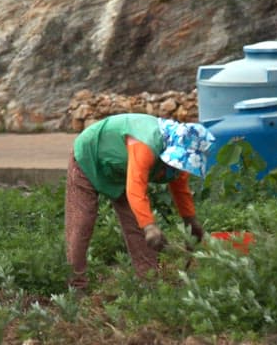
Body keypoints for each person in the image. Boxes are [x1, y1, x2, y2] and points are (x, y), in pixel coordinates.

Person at [64, 113, 215, 290]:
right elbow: (135, 188)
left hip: (120, 169)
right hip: (89, 155)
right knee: (81, 223)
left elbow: (180, 189)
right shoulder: (146, 145)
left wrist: (191, 221)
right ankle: (76, 286)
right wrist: (150, 226)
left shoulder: (179, 159)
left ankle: (148, 282)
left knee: (137, 225)